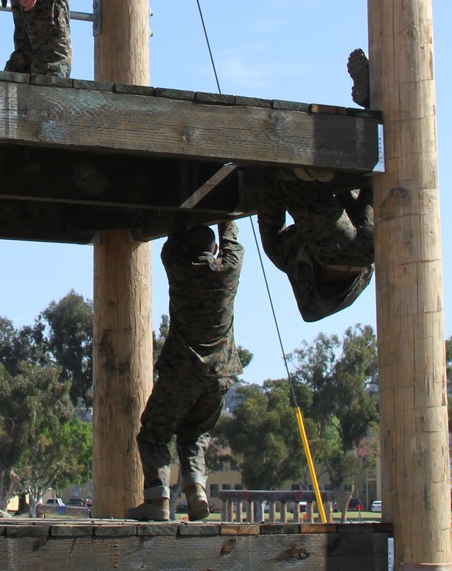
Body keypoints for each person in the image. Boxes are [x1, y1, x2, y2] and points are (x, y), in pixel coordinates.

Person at [129, 220, 244, 523]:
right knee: (194, 434)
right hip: (219, 376)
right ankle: (197, 492)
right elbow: (231, 238)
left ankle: (157, 500)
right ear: (215, 249)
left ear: (184, 249)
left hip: (181, 372)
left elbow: (170, 243)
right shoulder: (228, 271)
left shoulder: (179, 270)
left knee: (154, 435)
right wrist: (226, 216)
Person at [257, 168, 374, 323]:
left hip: (371, 252)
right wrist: (273, 177)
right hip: (336, 251)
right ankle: (308, 170)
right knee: (289, 173)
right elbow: (269, 215)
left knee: (372, 181)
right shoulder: (279, 252)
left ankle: (333, 170)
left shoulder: (286, 254)